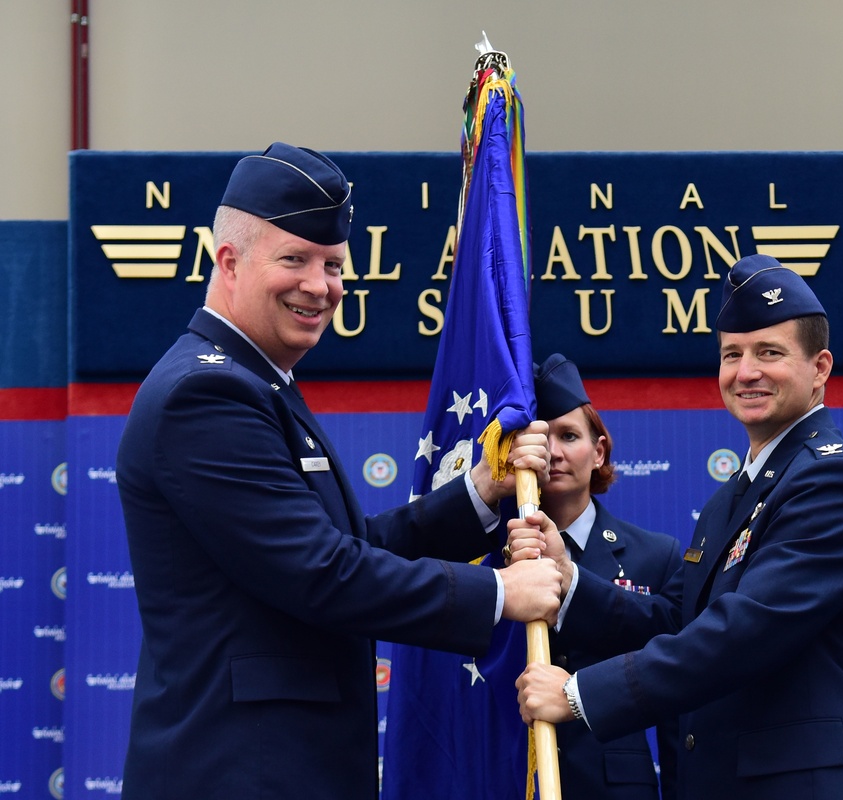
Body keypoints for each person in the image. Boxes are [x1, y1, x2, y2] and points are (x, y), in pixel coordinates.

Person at [114, 142, 562, 800]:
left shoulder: (257, 384)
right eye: (294, 259)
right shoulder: (205, 396)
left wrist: (479, 493)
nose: (320, 286)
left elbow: (346, 550)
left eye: (332, 264)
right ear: (228, 262)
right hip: (241, 775)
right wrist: (498, 595)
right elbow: (321, 574)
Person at [510, 254, 843, 799]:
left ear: (820, 369)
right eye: (732, 355)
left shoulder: (831, 479)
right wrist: (567, 582)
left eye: (769, 352)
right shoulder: (737, 494)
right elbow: (680, 621)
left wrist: (581, 695)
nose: (746, 372)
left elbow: (742, 632)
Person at [512, 353, 682, 799]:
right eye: (539, 438)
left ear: (599, 451)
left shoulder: (655, 554)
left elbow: (677, 671)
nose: (553, 452)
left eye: (568, 435)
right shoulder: (487, 553)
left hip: (615, 787)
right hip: (506, 775)